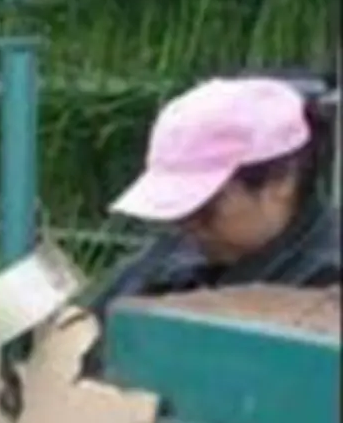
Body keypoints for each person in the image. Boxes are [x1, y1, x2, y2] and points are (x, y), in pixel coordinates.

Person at [82, 76, 340, 376]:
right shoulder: (170, 259)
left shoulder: (328, 280)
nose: (189, 226)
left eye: (204, 209)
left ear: (282, 180)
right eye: (178, 211)